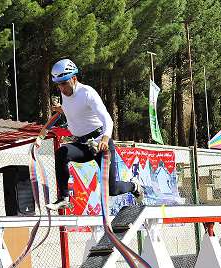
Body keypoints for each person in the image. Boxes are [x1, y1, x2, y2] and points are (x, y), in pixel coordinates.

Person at [36, 59, 144, 210]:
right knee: (62, 153)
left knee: (111, 190)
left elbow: (107, 119)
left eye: (64, 83)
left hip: (100, 144)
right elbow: (75, 110)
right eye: (58, 84)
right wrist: (62, 110)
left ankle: (134, 186)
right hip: (83, 145)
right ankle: (64, 198)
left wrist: (105, 139)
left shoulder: (87, 93)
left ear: (74, 78)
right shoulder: (65, 95)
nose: (61, 88)